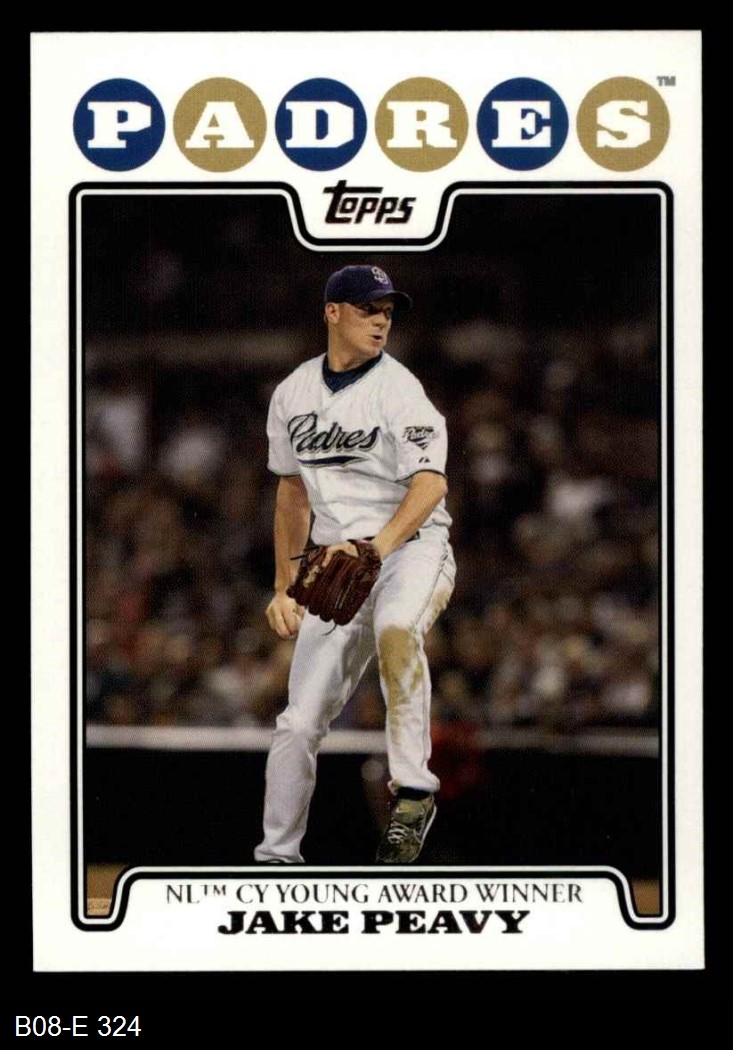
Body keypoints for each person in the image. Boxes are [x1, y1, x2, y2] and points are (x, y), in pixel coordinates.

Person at [254, 264, 455, 864]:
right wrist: (284, 584)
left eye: (387, 312)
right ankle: (276, 858)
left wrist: (377, 549)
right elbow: (291, 491)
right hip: (337, 563)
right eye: (369, 309)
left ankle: (412, 792)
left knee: (396, 630)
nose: (381, 321)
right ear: (333, 312)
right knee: (298, 722)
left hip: (411, 549)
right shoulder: (293, 393)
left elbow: (431, 485)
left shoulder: (400, 390)